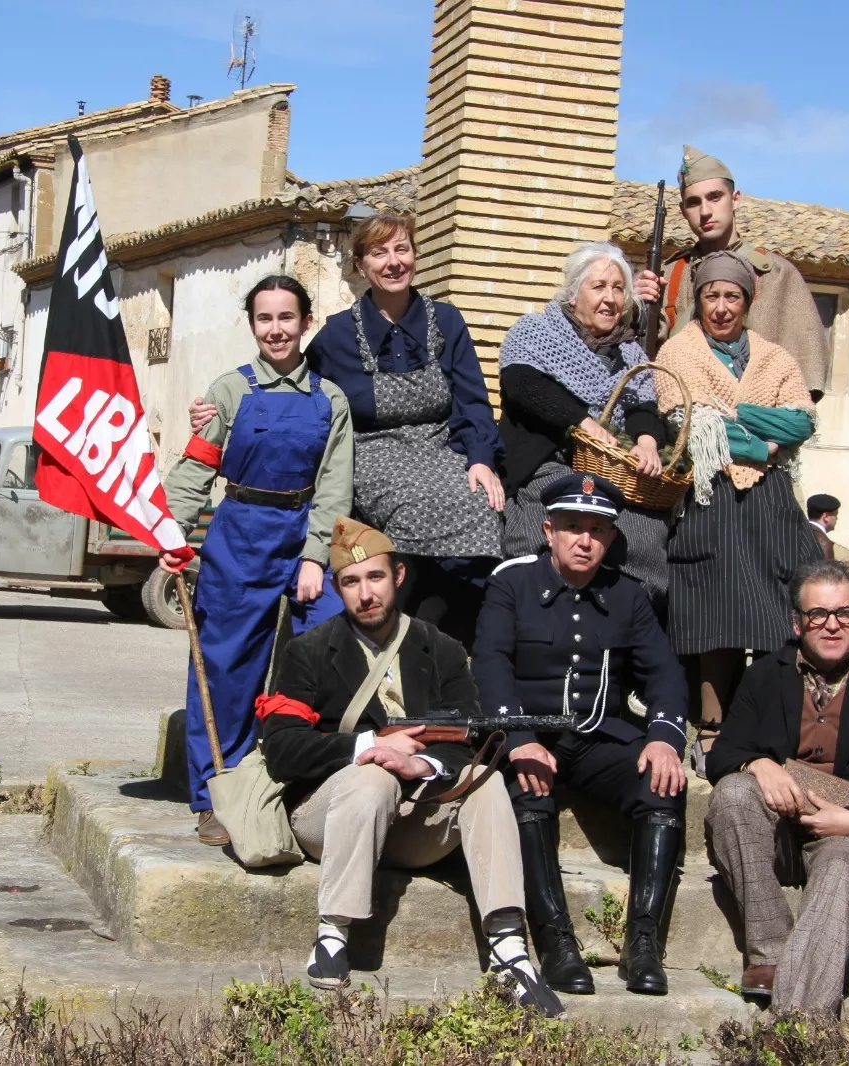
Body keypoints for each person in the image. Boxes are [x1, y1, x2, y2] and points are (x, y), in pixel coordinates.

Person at [257, 516, 562, 1016]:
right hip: (328, 818)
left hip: (411, 822)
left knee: (483, 781)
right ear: (337, 588)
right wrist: (369, 745)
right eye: (351, 582)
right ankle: (333, 933)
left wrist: (421, 764)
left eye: (375, 577)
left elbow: (468, 738)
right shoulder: (307, 652)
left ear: (398, 576)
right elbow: (283, 749)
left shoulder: (441, 649)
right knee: (372, 775)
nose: (365, 594)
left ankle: (509, 949)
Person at [190, 213, 504, 643]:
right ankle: (392, 630)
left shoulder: (447, 321)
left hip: (441, 449)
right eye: (379, 253)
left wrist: (481, 459)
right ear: (361, 265)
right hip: (373, 454)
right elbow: (294, 383)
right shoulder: (338, 334)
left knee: (483, 508)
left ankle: (448, 642)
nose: (393, 262)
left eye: (402, 249)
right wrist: (224, 405)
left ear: (415, 255)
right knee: (411, 511)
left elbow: (473, 400)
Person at [473, 473, 689, 996]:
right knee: (527, 793)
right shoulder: (511, 583)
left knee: (661, 785)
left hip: (596, 738)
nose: (585, 540)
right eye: (573, 527)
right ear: (549, 531)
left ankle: (642, 946)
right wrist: (518, 736)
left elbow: (664, 674)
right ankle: (556, 944)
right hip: (529, 738)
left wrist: (664, 737)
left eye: (597, 530)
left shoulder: (628, 594)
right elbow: (491, 663)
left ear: (611, 537)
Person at [162, 275, 352, 847]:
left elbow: (334, 486)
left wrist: (315, 557)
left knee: (329, 652)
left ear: (306, 322)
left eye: (286, 317)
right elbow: (198, 465)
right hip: (239, 537)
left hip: (303, 536)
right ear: (252, 325)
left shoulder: (331, 399)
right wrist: (172, 532)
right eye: (264, 318)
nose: (276, 329)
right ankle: (214, 796)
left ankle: (307, 783)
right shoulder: (227, 392)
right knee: (225, 667)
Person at [706, 559, 849, 1015]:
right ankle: (770, 954)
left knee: (838, 867)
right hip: (779, 836)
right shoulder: (764, 675)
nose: (832, 625)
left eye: (844, 613)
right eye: (818, 614)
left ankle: (801, 1025)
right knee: (733, 792)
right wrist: (759, 763)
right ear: (798, 623)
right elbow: (723, 752)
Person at [652, 250, 820, 772]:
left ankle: (767, 725)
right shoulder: (679, 353)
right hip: (710, 493)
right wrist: (763, 442)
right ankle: (711, 726)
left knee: (780, 607)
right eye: (711, 296)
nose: (722, 307)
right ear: (698, 300)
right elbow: (691, 423)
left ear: (748, 302)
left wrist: (741, 412)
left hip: (770, 498)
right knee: (717, 608)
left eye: (732, 296)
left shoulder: (775, 357)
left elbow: (802, 423)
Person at [497, 242, 671, 606]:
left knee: (640, 539)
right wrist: (582, 421)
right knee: (557, 533)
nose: (610, 298)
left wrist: (646, 441)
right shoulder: (536, 331)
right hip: (547, 463)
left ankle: (624, 621)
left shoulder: (631, 354)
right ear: (574, 293)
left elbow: (642, 405)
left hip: (611, 473)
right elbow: (522, 383)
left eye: (618, 289)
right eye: (599, 287)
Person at [637, 145, 831, 401]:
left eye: (714, 197)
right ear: (683, 211)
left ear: (736, 199)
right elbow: (642, 358)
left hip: (757, 420)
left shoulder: (777, 275)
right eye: (694, 202)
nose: (705, 211)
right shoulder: (669, 274)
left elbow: (806, 379)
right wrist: (634, 308)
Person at [806, 493, 839, 561]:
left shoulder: (801, 531)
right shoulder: (824, 543)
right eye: (835, 515)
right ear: (825, 517)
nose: (837, 518)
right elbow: (827, 568)